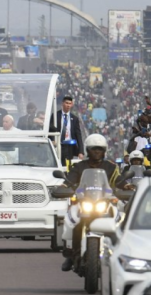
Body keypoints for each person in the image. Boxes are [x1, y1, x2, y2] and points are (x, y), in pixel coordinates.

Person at [61, 134, 119, 271]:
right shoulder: (79, 166)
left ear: (104, 151)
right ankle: (72, 255)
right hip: (84, 202)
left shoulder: (111, 167)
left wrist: (126, 187)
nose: (97, 152)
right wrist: (63, 187)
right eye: (94, 149)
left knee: (118, 222)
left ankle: (118, 254)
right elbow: (69, 181)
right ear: (88, 150)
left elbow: (120, 182)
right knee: (74, 222)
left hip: (104, 203)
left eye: (100, 149)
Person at [50, 95, 84, 165]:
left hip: (69, 146)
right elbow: (50, 129)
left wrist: (81, 151)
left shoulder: (74, 118)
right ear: (63, 103)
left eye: (70, 103)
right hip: (58, 144)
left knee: (67, 165)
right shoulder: (55, 115)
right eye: (66, 103)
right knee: (57, 163)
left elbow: (78, 135)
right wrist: (52, 140)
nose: (68, 105)